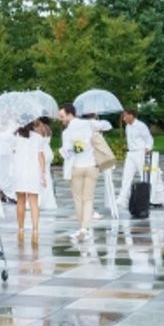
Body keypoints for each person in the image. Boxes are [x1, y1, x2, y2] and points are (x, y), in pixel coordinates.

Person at [59, 103, 104, 242]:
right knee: (88, 199)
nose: (61, 119)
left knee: (78, 200)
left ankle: (82, 228)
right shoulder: (88, 124)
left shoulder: (66, 133)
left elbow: (67, 153)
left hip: (76, 167)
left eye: (62, 116)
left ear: (70, 114)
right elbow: (106, 125)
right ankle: (85, 228)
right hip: (91, 166)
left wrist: (68, 150)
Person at [11, 122, 46, 241]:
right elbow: (41, 157)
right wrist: (43, 174)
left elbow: (13, 154)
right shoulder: (38, 138)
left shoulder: (14, 137)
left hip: (19, 172)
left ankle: (20, 229)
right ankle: (35, 231)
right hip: (33, 172)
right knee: (34, 202)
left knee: (20, 201)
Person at [119, 108, 155, 208]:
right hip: (131, 153)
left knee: (144, 176)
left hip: (140, 153)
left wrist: (147, 148)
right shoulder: (127, 127)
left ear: (131, 115)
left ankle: (149, 198)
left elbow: (149, 139)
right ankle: (123, 198)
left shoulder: (140, 126)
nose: (124, 118)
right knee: (126, 175)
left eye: (125, 116)